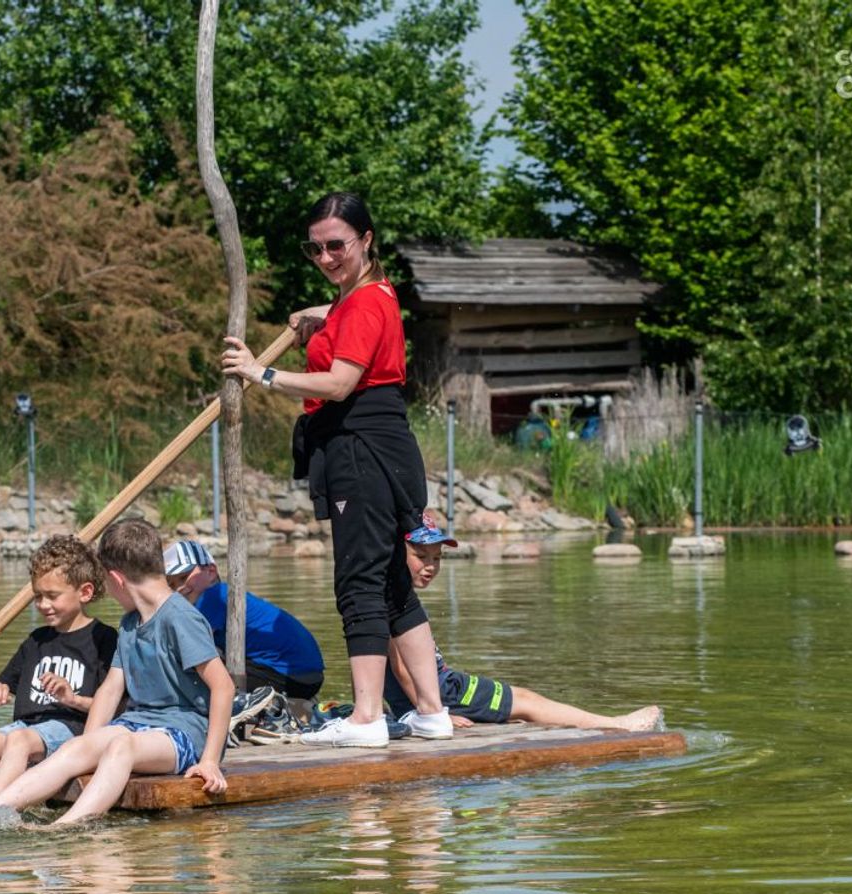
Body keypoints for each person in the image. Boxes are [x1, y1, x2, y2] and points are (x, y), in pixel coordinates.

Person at [221, 190, 450, 748]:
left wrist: (260, 373)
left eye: (336, 246)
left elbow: (340, 383)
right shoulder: (370, 294)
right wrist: (315, 317)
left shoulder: (364, 303)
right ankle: (431, 711)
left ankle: (367, 718)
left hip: (361, 449)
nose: (325, 258)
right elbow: (346, 314)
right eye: (315, 248)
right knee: (392, 582)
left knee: (359, 581)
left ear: (366, 240)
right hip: (385, 447)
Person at [0, 518, 234, 825]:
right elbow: (110, 689)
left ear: (116, 579)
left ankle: (64, 828)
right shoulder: (130, 623)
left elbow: (223, 687)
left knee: (121, 746)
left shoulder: (179, 617)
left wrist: (210, 761)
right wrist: (87, 744)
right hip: (138, 724)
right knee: (76, 747)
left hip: (185, 734)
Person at [387, 513, 663, 732]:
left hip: (439, 689)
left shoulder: (394, 596)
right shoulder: (396, 603)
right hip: (442, 691)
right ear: (397, 554)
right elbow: (401, 668)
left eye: (437, 558)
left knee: (521, 703)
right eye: (421, 556)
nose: (431, 566)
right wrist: (433, 713)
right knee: (526, 701)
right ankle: (616, 725)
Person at [0, 535, 117, 797]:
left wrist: (72, 699)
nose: (43, 605)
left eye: (52, 596)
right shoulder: (36, 640)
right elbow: (5, 684)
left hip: (71, 730)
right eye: (38, 596)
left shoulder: (104, 639)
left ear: (84, 592)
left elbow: (116, 707)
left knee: (18, 740)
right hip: (26, 728)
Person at [162, 539, 325, 709]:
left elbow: (178, 645)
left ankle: (272, 706)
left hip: (294, 677)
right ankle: (295, 704)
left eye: (183, 578)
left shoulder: (213, 596)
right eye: (172, 584)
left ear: (211, 571)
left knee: (195, 666)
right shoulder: (224, 594)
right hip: (307, 677)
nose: (179, 588)